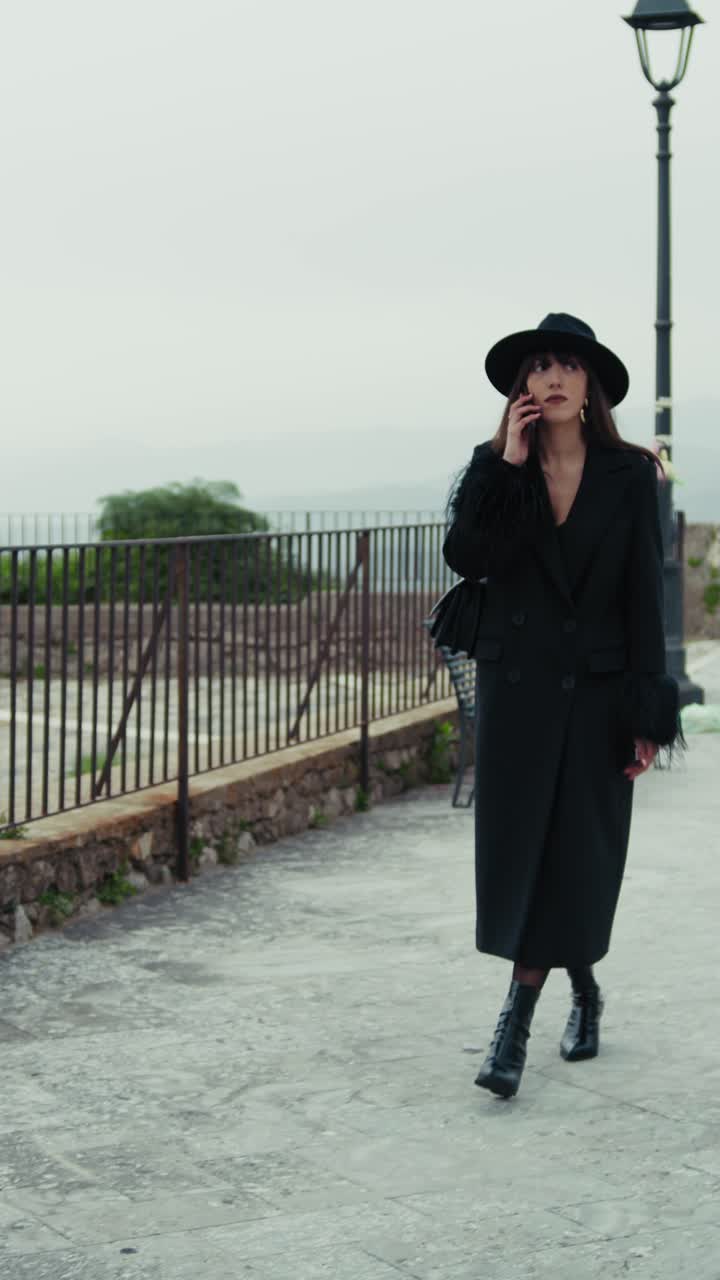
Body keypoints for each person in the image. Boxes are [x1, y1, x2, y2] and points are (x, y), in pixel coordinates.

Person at [442, 312, 686, 1100]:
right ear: (521, 389)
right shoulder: (493, 468)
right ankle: (561, 995)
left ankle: (524, 1014)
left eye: (565, 367)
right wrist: (508, 468)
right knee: (528, 851)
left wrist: (651, 714)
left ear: (589, 388)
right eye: (537, 368)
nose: (549, 379)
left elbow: (647, 598)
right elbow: (470, 560)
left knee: (577, 849)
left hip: (601, 691)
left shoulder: (630, 475)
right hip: (518, 692)